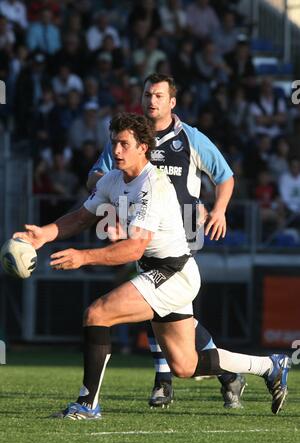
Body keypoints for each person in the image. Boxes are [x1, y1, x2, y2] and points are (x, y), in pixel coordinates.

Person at [14, 112, 290, 419]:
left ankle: (87, 405)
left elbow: (134, 247)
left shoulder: (153, 185)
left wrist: (83, 257)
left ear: (143, 146)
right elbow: (81, 217)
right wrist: (45, 234)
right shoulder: (113, 180)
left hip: (172, 273)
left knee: (97, 314)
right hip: (165, 273)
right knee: (185, 366)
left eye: (123, 144)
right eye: (113, 143)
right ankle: (270, 365)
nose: (116, 151)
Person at [87, 73, 246, 409]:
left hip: (180, 232)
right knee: (168, 307)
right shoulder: (127, 138)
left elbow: (225, 176)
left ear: (172, 102)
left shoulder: (191, 138)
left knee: (155, 296)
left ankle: (164, 380)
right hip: (141, 229)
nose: (151, 101)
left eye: (159, 95)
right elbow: (95, 176)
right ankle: (226, 374)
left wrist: (219, 210)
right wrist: (110, 196)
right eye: (147, 94)